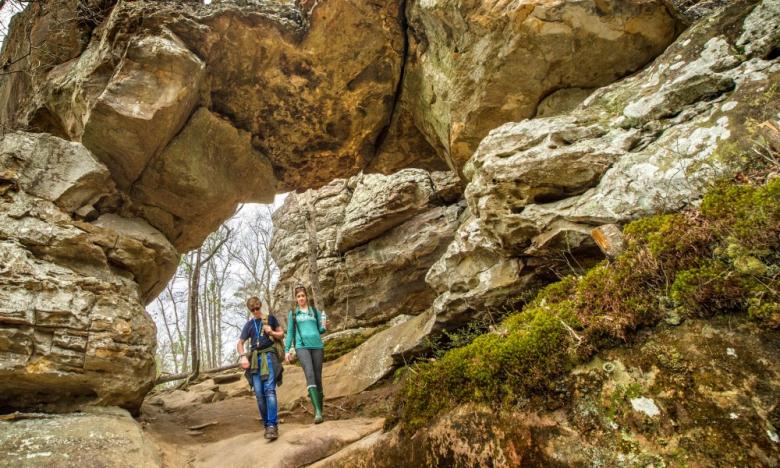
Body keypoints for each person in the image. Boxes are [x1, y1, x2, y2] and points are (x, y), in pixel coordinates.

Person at [237, 297, 284, 440]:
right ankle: (266, 425)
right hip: (254, 361)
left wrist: (272, 332)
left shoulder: (271, 319)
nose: (256, 311)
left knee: (269, 390)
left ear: (260, 306)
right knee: (259, 394)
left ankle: (272, 425)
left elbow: (281, 334)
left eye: (257, 308)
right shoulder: (249, 325)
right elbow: (240, 343)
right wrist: (243, 356)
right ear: (250, 310)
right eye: (253, 310)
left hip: (269, 356)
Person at [284, 284, 327, 424]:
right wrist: (287, 350)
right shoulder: (294, 314)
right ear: (296, 299)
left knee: (318, 377)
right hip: (301, 347)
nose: (301, 298)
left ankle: (319, 408)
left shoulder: (314, 311)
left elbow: (320, 330)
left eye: (303, 295)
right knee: (309, 374)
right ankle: (318, 413)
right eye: (298, 296)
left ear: (307, 297)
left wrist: (324, 327)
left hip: (317, 346)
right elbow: (290, 332)